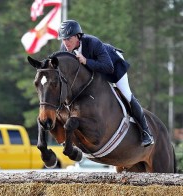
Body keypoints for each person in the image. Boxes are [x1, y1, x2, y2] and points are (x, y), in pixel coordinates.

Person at [57, 19, 154, 147]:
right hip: (94, 71)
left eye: (68, 39)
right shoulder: (65, 48)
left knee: (126, 95)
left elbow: (108, 67)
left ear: (77, 36)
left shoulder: (93, 43)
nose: (66, 43)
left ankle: (146, 132)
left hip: (113, 64)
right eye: (63, 39)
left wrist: (86, 61)